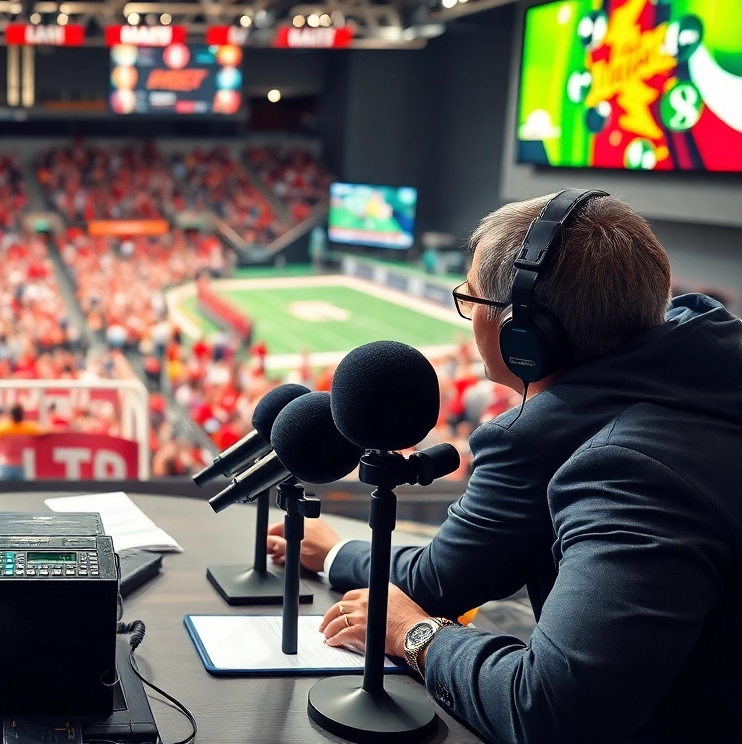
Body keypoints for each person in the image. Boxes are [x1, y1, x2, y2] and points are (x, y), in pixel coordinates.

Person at [269, 192, 742, 743]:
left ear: (523, 337)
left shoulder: (629, 471)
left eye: (471, 300)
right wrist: (338, 555)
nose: (469, 318)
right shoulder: (705, 376)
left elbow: (550, 711)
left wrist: (415, 632)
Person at [0, 403, 41, 481]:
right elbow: (45, 430)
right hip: (19, 466)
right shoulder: (27, 428)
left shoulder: (2, 428)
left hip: (4, 465)